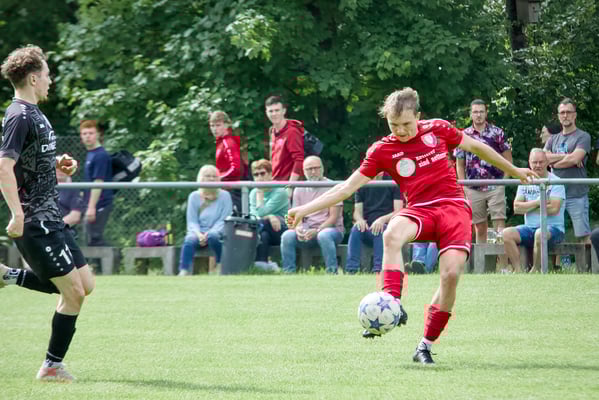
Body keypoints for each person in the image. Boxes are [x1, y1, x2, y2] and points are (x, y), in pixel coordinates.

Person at [286, 88, 537, 364]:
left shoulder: (438, 129)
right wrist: (303, 210)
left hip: (453, 208)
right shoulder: (382, 150)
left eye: (406, 124)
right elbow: (346, 188)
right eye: (394, 125)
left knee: (451, 275)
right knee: (392, 233)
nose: (401, 131)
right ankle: (392, 303)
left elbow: (477, 147)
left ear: (418, 116)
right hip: (419, 209)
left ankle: (425, 346)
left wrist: (515, 171)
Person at [0, 45, 96, 381]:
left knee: (85, 285)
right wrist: (17, 214)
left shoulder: (35, 114)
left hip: (51, 216)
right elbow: (4, 166)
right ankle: (51, 367)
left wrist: (57, 162)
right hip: (34, 220)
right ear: (32, 78)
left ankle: (7, 276)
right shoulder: (19, 116)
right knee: (73, 293)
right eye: (46, 74)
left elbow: (29, 156)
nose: (49, 80)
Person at [455, 99, 512, 244]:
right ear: (470, 114)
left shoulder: (497, 133)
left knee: (499, 227)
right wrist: (464, 186)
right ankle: (482, 259)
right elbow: (460, 164)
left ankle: (502, 259)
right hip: (473, 187)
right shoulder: (463, 135)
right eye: (475, 112)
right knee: (479, 228)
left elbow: (508, 159)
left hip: (495, 185)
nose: (478, 115)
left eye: (481, 111)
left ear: (486, 113)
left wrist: (503, 182)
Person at [502, 149, 566, 273]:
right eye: (534, 162)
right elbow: (517, 208)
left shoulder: (556, 181)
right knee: (506, 234)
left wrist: (527, 206)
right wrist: (538, 203)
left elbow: (554, 209)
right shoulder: (525, 181)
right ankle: (518, 270)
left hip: (554, 229)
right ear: (529, 163)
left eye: (541, 162)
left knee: (539, 233)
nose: (537, 165)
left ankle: (535, 270)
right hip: (529, 228)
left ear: (547, 162)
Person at [280, 156, 344, 274]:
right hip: (307, 230)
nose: (313, 172)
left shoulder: (332, 186)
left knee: (324, 235)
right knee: (287, 235)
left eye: (316, 168)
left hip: (331, 230)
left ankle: (332, 272)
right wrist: (298, 228)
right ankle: (288, 272)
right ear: (304, 171)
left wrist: (318, 230)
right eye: (309, 169)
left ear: (322, 168)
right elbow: (294, 215)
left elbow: (333, 218)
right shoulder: (299, 188)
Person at [544, 98, 592, 246]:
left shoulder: (583, 136)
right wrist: (568, 157)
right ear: (559, 116)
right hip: (555, 195)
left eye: (568, 112)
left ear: (574, 115)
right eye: (562, 112)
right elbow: (544, 158)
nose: (565, 115)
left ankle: (588, 261)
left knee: (583, 235)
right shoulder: (553, 139)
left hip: (576, 194)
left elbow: (575, 158)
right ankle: (560, 261)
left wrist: (554, 162)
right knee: (554, 233)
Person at [344, 172, 403, 287]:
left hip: (387, 227)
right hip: (367, 227)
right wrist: (360, 220)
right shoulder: (361, 183)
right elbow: (357, 212)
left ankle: (378, 270)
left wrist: (382, 220)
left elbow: (398, 211)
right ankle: (351, 269)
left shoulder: (393, 181)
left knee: (382, 229)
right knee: (356, 229)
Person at [178, 165, 232, 276]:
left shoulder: (225, 196)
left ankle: (220, 265)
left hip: (218, 231)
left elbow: (224, 219)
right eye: (208, 176)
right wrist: (198, 234)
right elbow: (192, 220)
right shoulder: (193, 196)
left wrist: (209, 233)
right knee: (189, 240)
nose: (211, 179)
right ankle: (184, 270)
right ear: (201, 178)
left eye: (214, 176)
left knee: (213, 236)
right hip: (198, 232)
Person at [249, 159, 288, 272]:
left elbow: (260, 213)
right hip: (263, 230)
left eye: (262, 173)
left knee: (261, 224)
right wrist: (270, 216)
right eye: (256, 175)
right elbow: (253, 216)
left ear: (270, 174)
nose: (259, 177)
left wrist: (260, 195)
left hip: (282, 229)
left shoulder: (280, 191)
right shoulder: (253, 193)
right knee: (264, 234)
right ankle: (262, 266)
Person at [80, 120, 114, 246]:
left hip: (100, 203)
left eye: (91, 133)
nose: (87, 136)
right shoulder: (91, 154)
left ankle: (113, 257)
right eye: (84, 134)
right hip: (92, 203)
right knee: (91, 239)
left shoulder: (100, 155)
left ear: (98, 134)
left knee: (95, 239)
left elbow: (98, 182)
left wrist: (91, 207)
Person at [265, 95, 304, 197]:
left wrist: (290, 187)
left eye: (277, 110)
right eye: (271, 111)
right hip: (275, 184)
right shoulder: (272, 130)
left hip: (288, 186)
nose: (274, 114)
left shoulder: (292, 131)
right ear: (266, 112)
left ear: (284, 111)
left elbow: (299, 160)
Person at [210, 110, 245, 213]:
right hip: (227, 189)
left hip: (232, 190)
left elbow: (236, 168)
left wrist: (218, 178)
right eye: (212, 126)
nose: (214, 129)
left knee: (232, 219)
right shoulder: (222, 142)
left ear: (226, 125)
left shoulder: (228, 142)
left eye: (218, 125)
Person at [56, 166, 85, 239]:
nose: (60, 171)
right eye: (58, 168)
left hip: (63, 231)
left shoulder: (73, 189)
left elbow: (75, 216)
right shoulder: (44, 189)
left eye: (64, 169)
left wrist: (54, 227)